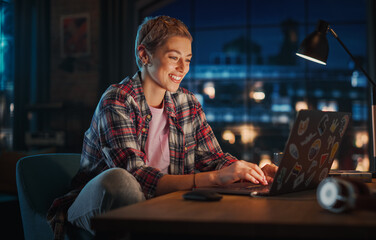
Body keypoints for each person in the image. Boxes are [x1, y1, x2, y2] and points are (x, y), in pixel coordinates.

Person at [47, 15, 278, 239]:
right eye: (173, 57)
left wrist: (252, 173)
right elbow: (135, 176)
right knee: (121, 181)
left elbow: (213, 158)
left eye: (187, 59)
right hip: (95, 204)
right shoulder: (117, 99)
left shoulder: (187, 103)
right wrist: (215, 178)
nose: (183, 68)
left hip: (161, 206)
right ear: (144, 54)